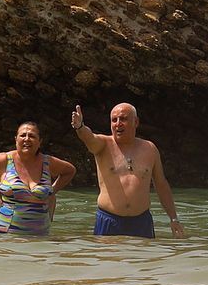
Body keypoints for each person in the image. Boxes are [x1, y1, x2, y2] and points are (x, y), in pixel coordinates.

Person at [71, 102, 185, 238]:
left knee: (143, 259)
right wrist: (80, 127)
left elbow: (161, 184)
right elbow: (89, 137)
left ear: (135, 122)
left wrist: (173, 219)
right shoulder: (103, 144)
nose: (118, 123)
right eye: (114, 120)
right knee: (107, 259)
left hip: (141, 222)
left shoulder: (150, 149)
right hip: (109, 220)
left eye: (123, 119)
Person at [0, 121, 77, 236]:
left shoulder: (48, 162)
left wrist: (52, 191)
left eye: (32, 136)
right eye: (23, 135)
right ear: (16, 139)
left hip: (40, 237)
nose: (27, 139)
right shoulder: (4, 160)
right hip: (6, 235)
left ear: (39, 141)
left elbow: (70, 171)